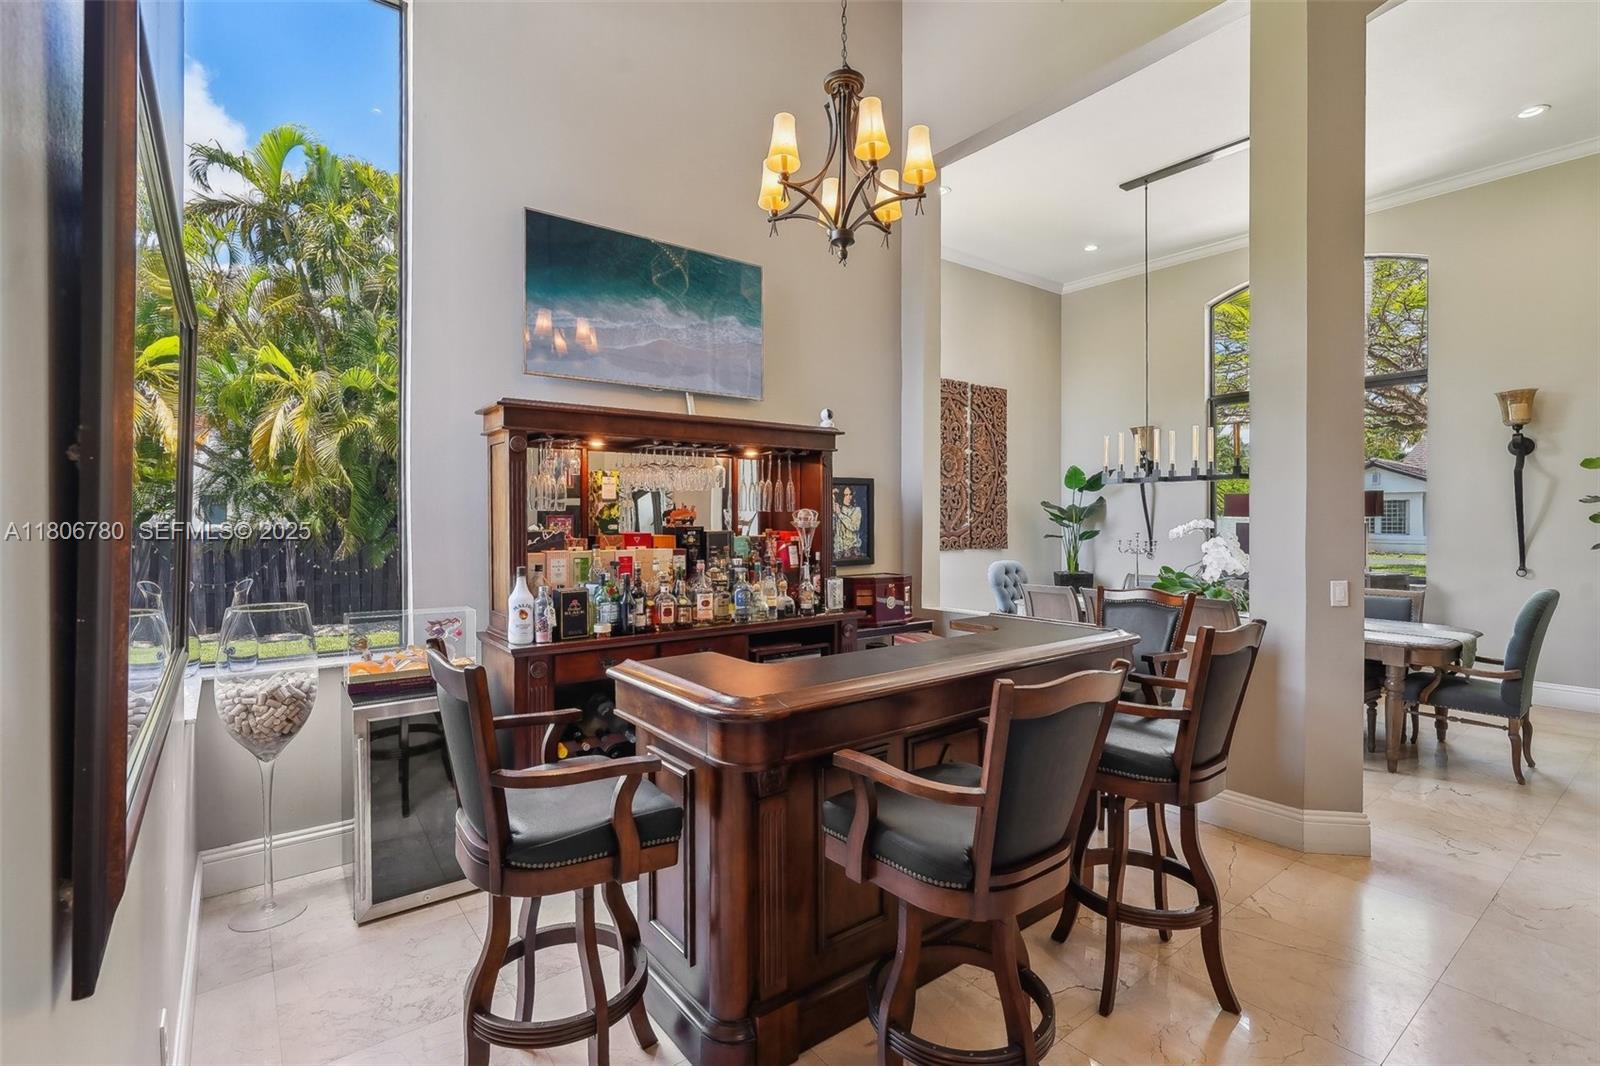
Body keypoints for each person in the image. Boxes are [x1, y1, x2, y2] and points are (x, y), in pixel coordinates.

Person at [834, 485, 863, 560]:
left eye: (850, 494)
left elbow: (854, 527)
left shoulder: (856, 510)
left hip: (852, 550)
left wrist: (839, 514)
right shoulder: (837, 509)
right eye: (846, 495)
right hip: (838, 551)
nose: (849, 497)